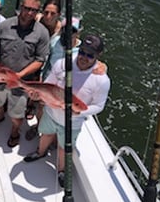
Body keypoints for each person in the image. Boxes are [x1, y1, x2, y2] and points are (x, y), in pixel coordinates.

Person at [24, 34, 111, 187]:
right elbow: (48, 85)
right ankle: (40, 152)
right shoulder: (62, 64)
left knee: (64, 148)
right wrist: (36, 95)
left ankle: (62, 170)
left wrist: (78, 112)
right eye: (83, 51)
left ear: (98, 55)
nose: (84, 57)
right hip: (51, 113)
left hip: (73, 123)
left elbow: (99, 106)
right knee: (45, 134)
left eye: (90, 55)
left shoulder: (102, 80)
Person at [0, 0, 50, 148]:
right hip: (0, 77)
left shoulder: (42, 33)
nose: (30, 13)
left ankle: (15, 131)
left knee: (17, 114)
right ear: (21, 7)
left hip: (21, 81)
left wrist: (19, 76)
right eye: (27, 9)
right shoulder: (4, 26)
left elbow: (40, 60)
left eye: (34, 10)